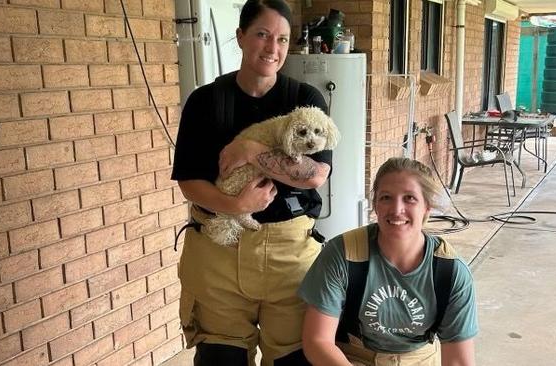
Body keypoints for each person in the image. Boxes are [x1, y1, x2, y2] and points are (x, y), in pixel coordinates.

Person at [170, 0, 332, 365]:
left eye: (282, 39)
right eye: (262, 34)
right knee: (220, 357)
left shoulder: (304, 101)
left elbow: (316, 174)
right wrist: (236, 206)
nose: (272, 48)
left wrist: (251, 150)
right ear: (240, 36)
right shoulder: (205, 102)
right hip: (218, 252)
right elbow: (190, 181)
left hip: (289, 254)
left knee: (295, 358)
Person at [298, 157, 478, 366]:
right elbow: (317, 341)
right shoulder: (343, 253)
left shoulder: (450, 272)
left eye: (410, 198)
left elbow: (458, 360)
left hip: (418, 358)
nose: (396, 209)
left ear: (427, 207)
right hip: (353, 357)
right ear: (375, 204)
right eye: (386, 198)